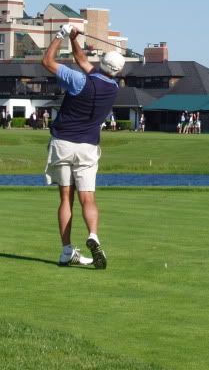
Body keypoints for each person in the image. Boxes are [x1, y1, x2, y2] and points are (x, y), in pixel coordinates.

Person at [42, 24, 124, 269]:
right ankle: (93, 235)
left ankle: (67, 250)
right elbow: (81, 59)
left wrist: (61, 35)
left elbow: (47, 61)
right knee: (87, 198)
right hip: (88, 147)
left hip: (63, 144)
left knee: (66, 198)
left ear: (102, 64)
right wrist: (75, 40)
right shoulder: (112, 88)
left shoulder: (79, 81)